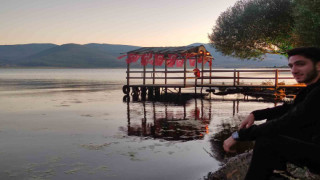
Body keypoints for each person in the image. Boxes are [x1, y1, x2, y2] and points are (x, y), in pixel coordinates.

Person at [223, 47, 320, 180]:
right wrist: (255, 114)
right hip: (313, 144)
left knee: (267, 140)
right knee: (270, 123)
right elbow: (288, 109)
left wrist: (239, 135)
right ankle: (277, 172)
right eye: (291, 66)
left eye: (300, 64)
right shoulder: (311, 89)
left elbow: (290, 120)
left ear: (319, 65)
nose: (294, 70)